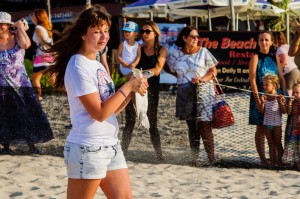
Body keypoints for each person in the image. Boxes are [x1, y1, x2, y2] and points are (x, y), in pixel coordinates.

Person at [45, 5, 148, 198]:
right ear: (83, 34)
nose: (104, 36)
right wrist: (127, 87)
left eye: (106, 31)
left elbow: (110, 110)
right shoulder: (78, 65)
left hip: (111, 145)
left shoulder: (97, 64)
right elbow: (98, 113)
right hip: (87, 148)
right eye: (97, 32)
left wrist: (132, 93)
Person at [0, 11, 53, 153]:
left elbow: (27, 44)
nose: (0, 28)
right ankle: (5, 146)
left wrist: (20, 28)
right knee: (5, 116)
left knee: (27, 114)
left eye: (2, 25)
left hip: (21, 84)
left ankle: (32, 146)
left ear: (8, 26)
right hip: (3, 86)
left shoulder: (17, 38)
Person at [166, 26, 218, 165]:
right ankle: (195, 158)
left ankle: (211, 158)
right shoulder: (175, 54)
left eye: (197, 36)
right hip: (185, 91)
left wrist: (202, 79)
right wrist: (180, 77)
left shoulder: (203, 52)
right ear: (184, 38)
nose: (196, 39)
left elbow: (213, 71)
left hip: (203, 91)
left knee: (204, 124)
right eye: (193, 36)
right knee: (191, 126)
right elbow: (168, 67)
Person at [121, 21, 167, 162]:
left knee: (153, 123)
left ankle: (159, 157)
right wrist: (130, 74)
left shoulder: (161, 50)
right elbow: (127, 67)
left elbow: (158, 70)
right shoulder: (138, 48)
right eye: (142, 31)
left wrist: (141, 74)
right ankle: (122, 154)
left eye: (148, 31)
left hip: (151, 89)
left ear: (155, 33)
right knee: (129, 122)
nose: (144, 34)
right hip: (134, 88)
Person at [249, 31, 286, 166]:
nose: (263, 42)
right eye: (261, 40)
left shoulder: (275, 57)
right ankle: (263, 159)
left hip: (275, 98)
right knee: (260, 129)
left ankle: (276, 158)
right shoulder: (255, 57)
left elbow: (281, 78)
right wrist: (258, 98)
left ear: (271, 42)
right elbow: (252, 80)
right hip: (259, 96)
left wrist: (285, 94)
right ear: (258, 42)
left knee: (274, 129)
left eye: (266, 40)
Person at [256, 74, 285, 166]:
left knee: (278, 144)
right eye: (263, 85)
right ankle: (272, 163)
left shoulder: (279, 97)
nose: (264, 87)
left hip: (277, 125)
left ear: (274, 85)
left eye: (266, 85)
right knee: (271, 144)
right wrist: (262, 103)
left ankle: (279, 162)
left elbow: (284, 111)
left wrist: (281, 102)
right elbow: (261, 111)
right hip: (267, 124)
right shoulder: (264, 97)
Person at [31, 9, 55, 101]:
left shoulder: (38, 28)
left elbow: (45, 43)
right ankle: (68, 93)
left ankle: (38, 97)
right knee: (53, 79)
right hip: (47, 55)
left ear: (38, 17)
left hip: (42, 55)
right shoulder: (44, 27)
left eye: (33, 15)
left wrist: (44, 55)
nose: (32, 17)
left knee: (35, 79)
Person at [273, 32, 300, 96]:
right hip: (295, 70)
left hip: (289, 73)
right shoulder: (287, 46)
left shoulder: (280, 49)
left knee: (290, 94)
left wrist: (278, 70)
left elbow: (284, 62)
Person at [283, 82, 300, 169]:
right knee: (293, 144)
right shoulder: (292, 102)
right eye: (293, 92)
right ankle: (295, 163)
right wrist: (289, 103)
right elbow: (289, 112)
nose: (295, 94)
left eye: (297, 93)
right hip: (293, 126)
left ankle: (298, 163)